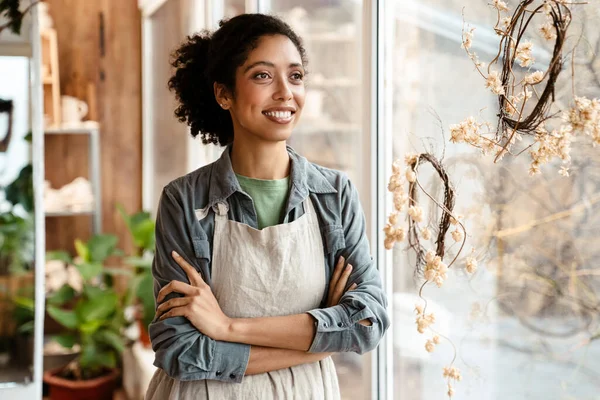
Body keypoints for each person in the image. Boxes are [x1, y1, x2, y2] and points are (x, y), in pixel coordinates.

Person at [145, 13, 389, 400]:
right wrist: (321, 336)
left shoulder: (334, 195)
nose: (284, 93)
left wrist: (227, 328)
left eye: (295, 76)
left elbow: (366, 322)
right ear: (224, 94)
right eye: (262, 76)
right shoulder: (185, 200)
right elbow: (178, 348)